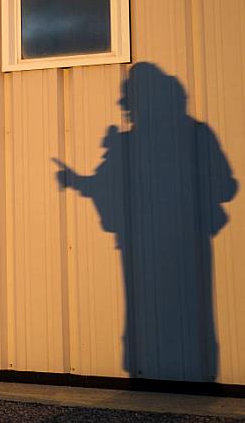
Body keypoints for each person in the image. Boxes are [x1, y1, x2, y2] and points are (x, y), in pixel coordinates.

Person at [55, 62, 237, 381]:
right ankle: (179, 376)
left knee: (160, 310)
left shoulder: (147, 140)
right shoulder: (184, 134)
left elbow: (224, 186)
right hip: (161, 241)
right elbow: (226, 185)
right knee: (173, 311)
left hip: (164, 241)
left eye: (129, 98)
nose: (124, 106)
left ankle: (169, 376)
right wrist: (76, 180)